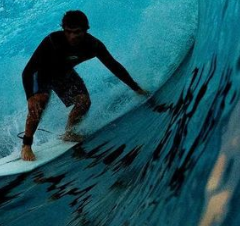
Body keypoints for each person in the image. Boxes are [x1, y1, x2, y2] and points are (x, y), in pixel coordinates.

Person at [20, 10, 149, 161]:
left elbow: (114, 66)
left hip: (64, 75)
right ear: (64, 30)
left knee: (84, 101)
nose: (73, 36)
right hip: (42, 74)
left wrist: (136, 88)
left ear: (86, 30)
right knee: (39, 101)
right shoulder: (52, 41)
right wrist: (30, 96)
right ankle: (27, 144)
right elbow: (28, 71)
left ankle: (69, 132)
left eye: (77, 32)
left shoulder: (93, 45)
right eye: (69, 32)